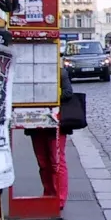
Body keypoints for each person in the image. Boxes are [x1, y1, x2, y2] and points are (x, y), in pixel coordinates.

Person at [27, 65, 73, 211]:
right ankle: (48, 194)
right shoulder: (28, 73)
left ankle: (59, 198)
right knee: (43, 163)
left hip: (55, 122)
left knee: (56, 162)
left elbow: (68, 92)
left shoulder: (59, 71)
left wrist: (48, 94)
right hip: (35, 122)